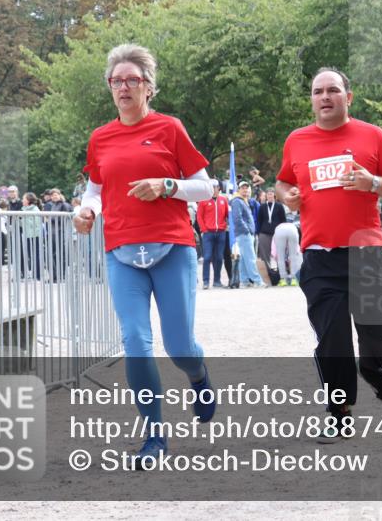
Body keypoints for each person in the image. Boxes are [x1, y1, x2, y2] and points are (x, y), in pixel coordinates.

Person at [73, 44, 215, 468]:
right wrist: (87, 210)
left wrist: (166, 186)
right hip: (120, 249)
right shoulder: (101, 137)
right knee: (136, 342)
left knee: (179, 346)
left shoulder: (170, 128)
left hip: (172, 246)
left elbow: (206, 187)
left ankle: (198, 374)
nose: (123, 87)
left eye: (132, 80)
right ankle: (155, 436)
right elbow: (96, 188)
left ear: (148, 87)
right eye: (116, 81)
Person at [275, 67, 382, 442]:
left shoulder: (373, 136)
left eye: (333, 90)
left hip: (367, 253)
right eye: (318, 91)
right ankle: (339, 412)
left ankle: (374, 366)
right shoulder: (297, 141)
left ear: (348, 97)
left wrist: (374, 183)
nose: (325, 97)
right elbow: (284, 180)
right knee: (332, 339)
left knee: (376, 335)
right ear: (312, 99)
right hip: (320, 256)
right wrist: (286, 194)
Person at [231, 181, 265, 288]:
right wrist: (247, 230)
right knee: (250, 257)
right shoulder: (237, 201)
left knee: (244, 258)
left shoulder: (242, 200)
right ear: (238, 190)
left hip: (244, 233)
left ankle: (244, 281)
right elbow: (237, 218)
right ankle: (257, 281)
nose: (245, 190)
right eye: (243, 188)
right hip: (244, 233)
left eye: (246, 188)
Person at [196, 180, 229, 288]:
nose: (214, 189)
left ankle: (217, 281)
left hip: (221, 232)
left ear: (219, 188)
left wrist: (225, 226)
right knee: (207, 257)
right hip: (208, 233)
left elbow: (227, 215)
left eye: (215, 187)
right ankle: (206, 281)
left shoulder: (224, 200)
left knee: (219, 257)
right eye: (212, 187)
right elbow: (199, 216)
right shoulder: (203, 200)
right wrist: (204, 229)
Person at [256, 187, 286, 271]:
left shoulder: (279, 206)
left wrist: (283, 233)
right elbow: (259, 220)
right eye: (268, 194)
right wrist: (258, 233)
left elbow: (283, 220)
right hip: (264, 233)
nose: (270, 195)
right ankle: (268, 272)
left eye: (271, 193)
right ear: (266, 196)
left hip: (277, 233)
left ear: (274, 195)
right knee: (265, 254)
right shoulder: (262, 207)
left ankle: (281, 271)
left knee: (279, 253)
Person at [273, 208, 302, 287]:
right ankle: (293, 279)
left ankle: (283, 279)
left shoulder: (279, 223)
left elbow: (275, 253)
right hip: (293, 229)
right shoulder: (297, 217)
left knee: (281, 256)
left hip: (279, 229)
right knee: (293, 256)